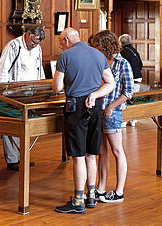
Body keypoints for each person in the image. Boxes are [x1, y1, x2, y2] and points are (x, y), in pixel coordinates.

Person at [52, 28, 114, 214]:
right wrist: (95, 94)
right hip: (95, 106)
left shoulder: (65, 56)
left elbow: (57, 87)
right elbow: (110, 83)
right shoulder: (98, 55)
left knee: (77, 156)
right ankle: (91, 196)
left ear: (66, 39)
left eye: (61, 42)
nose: (61, 45)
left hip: (75, 108)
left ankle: (78, 201)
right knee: (90, 153)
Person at [89, 30, 132, 203]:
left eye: (98, 46)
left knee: (117, 151)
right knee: (102, 151)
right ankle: (101, 188)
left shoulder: (123, 63)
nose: (95, 49)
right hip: (99, 111)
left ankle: (119, 191)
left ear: (105, 45)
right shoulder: (102, 62)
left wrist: (111, 107)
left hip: (112, 113)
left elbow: (128, 92)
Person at [0, 25, 46, 171]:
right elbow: (3, 69)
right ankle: (12, 159)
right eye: (33, 42)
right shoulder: (13, 46)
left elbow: (39, 68)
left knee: (26, 126)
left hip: (31, 93)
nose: (35, 45)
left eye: (38, 43)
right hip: (14, 93)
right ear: (28, 34)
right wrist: (4, 92)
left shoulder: (37, 48)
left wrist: (42, 87)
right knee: (12, 125)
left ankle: (22, 157)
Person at [119, 33, 143, 126]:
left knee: (126, 98)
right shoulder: (134, 50)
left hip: (131, 78)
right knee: (134, 99)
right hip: (138, 77)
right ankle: (134, 120)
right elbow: (141, 64)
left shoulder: (124, 52)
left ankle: (125, 121)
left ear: (121, 43)